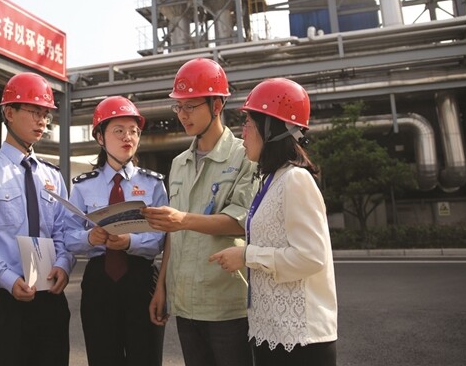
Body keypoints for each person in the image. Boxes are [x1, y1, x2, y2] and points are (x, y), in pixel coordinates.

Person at [209, 78, 338, 366]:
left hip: (302, 340)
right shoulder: (269, 181)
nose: (242, 134)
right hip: (270, 332)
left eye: (247, 124)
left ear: (270, 130)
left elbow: (311, 257)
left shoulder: (296, 180)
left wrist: (247, 255)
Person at [142, 58, 259, 366]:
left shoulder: (244, 156)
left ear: (217, 105)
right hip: (185, 303)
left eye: (191, 106)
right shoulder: (179, 163)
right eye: (178, 107)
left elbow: (241, 221)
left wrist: (183, 220)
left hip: (226, 302)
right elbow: (173, 234)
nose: (183, 115)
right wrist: (162, 287)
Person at [0, 72, 75, 366]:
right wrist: (8, 280)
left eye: (46, 114)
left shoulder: (52, 175)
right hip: (4, 301)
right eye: (35, 112)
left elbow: (63, 231)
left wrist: (63, 264)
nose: (42, 121)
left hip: (49, 295)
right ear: (9, 113)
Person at [64, 96, 167, 366]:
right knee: (103, 357)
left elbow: (161, 237)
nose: (127, 137)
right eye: (118, 131)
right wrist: (90, 237)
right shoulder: (83, 186)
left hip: (141, 278)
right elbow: (68, 235)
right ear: (100, 137)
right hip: (99, 282)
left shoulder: (153, 184)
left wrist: (130, 242)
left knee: (145, 358)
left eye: (133, 131)